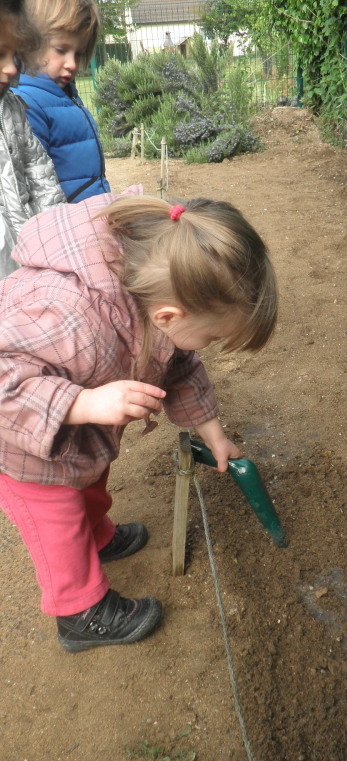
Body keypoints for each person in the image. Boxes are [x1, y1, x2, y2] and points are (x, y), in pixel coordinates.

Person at [0, 190, 278, 653]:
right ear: (170, 315)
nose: (205, 346)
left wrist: (214, 433)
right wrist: (83, 404)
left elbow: (181, 366)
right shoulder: (68, 318)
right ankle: (79, 614)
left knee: (88, 486)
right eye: (212, 336)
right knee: (58, 522)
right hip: (24, 446)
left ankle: (98, 538)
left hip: (77, 436)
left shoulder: (156, 301)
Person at [12, 0, 110, 202]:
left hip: (86, 217)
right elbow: (36, 190)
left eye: (78, 53)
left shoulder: (62, 93)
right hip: (65, 225)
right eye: (60, 49)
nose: (72, 64)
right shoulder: (28, 104)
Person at [0, 0, 65, 279]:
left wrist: (57, 241)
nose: (12, 68)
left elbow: (40, 177)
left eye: (14, 56)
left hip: (25, 256)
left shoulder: (12, 107)